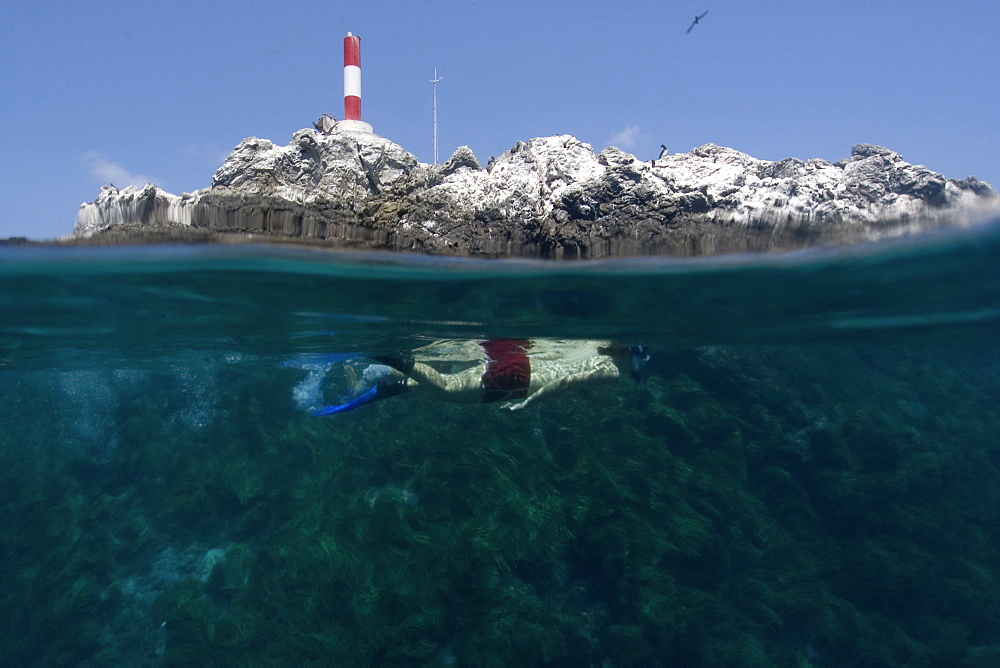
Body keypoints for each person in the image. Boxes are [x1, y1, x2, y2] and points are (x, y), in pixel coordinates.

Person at [311, 339, 648, 415]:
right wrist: (532, 401)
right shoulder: (609, 369)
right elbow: (565, 382)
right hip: (516, 382)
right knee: (446, 389)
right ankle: (387, 355)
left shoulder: (594, 346)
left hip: (513, 364)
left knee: (445, 384)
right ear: (628, 355)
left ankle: (389, 384)